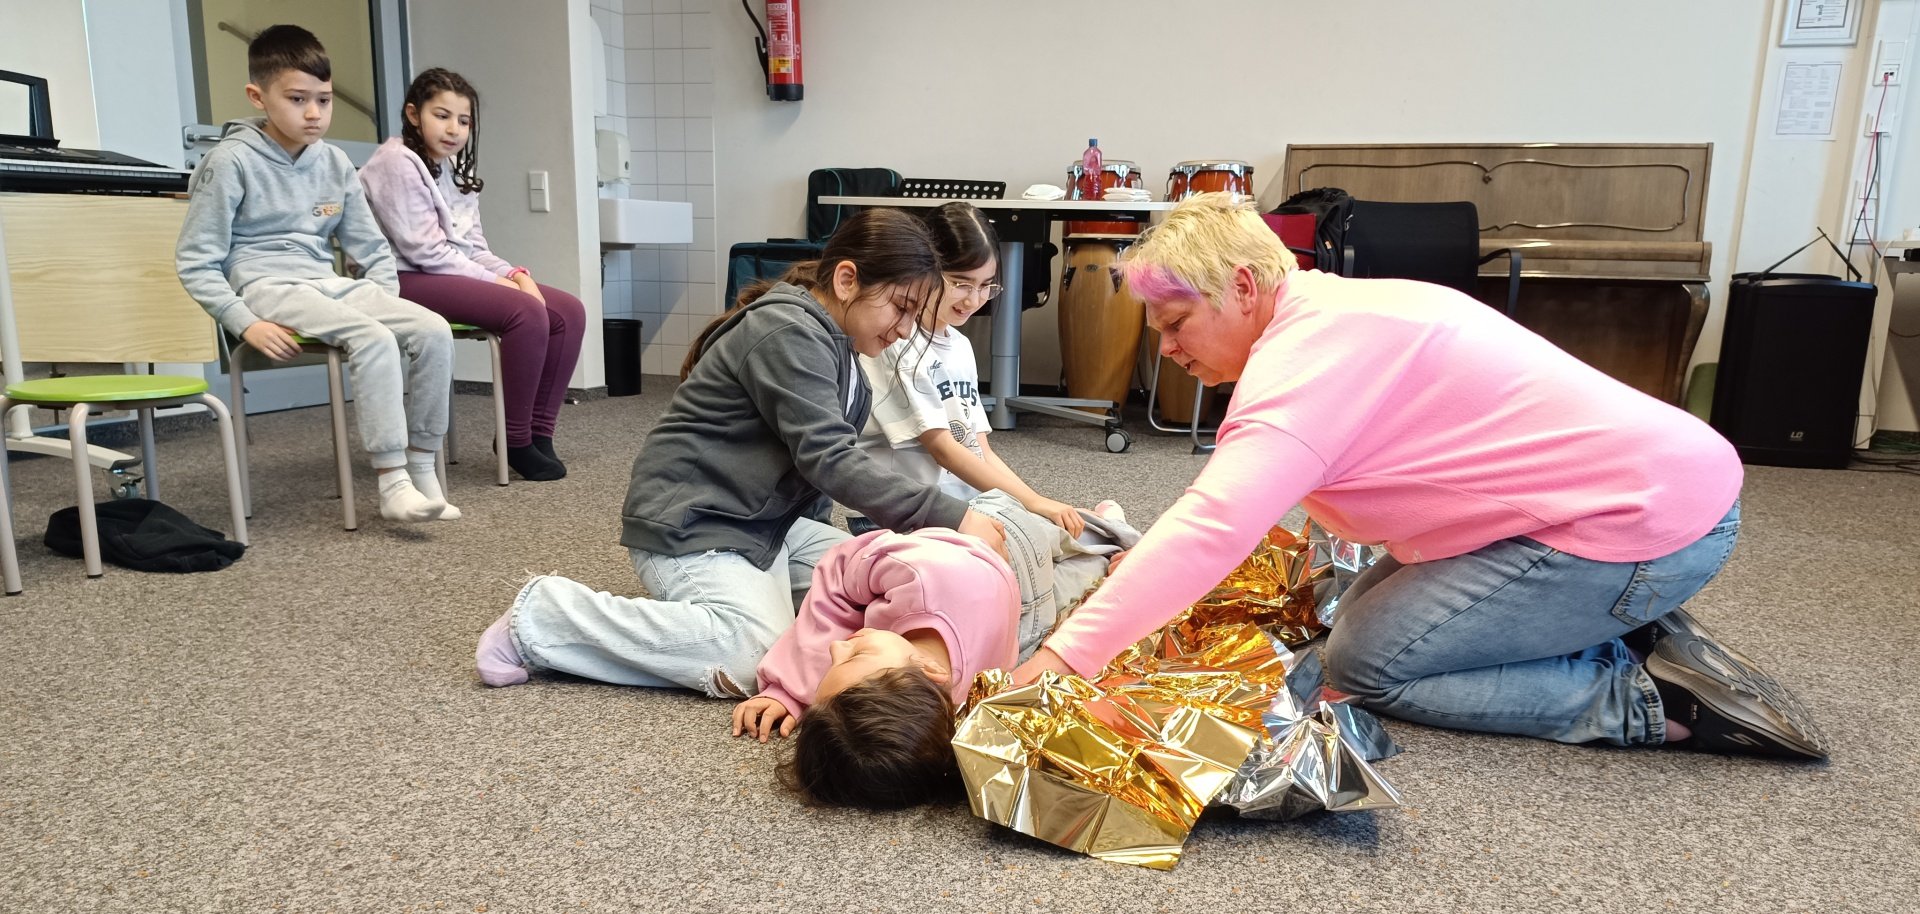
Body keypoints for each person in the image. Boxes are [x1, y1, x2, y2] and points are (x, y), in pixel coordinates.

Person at [1012, 193, 1829, 761]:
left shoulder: (1305, 361)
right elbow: (1280, 499)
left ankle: (1651, 700)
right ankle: (1626, 627)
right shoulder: (1336, 311)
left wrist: (1056, 664)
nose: (1166, 348)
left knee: (1367, 667)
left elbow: (1213, 527)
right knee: (1353, 628)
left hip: (1646, 528)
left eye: (1176, 322)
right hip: (1640, 501)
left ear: (1245, 287)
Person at [474, 208, 1008, 697]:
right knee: (751, 653)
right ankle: (544, 617)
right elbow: (830, 459)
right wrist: (953, 516)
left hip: (768, 526)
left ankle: (758, 604)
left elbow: (812, 474)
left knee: (889, 582)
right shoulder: (788, 331)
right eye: (901, 308)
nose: (905, 328)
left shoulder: (844, 352)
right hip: (698, 525)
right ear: (847, 280)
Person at [176, 25, 458, 523]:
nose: (314, 113)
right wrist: (244, 321)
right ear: (258, 97)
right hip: (265, 284)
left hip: (326, 283)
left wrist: (385, 299)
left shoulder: (334, 162)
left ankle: (421, 464)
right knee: (372, 338)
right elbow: (196, 260)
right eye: (297, 99)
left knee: (432, 329)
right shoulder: (230, 161)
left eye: (324, 101)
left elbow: (371, 247)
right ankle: (392, 481)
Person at [732, 494, 1139, 809]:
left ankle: (1109, 524)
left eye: (834, 663)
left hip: (997, 538)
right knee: (1096, 573)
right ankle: (1115, 540)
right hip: (1023, 617)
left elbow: (840, 568)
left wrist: (789, 686)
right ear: (926, 669)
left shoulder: (920, 574)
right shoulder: (964, 711)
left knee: (1079, 533)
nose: (836, 647)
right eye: (852, 657)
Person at [358, 68, 585, 482]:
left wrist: (517, 275)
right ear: (413, 114)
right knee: (524, 312)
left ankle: (539, 432)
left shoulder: (449, 168)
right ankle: (515, 439)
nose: (454, 129)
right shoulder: (395, 162)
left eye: (463, 121)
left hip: (444, 273)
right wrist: (506, 287)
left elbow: (474, 248)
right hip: (401, 277)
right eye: (442, 116)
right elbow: (425, 252)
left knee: (568, 311)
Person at [852, 203, 1086, 536]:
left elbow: (979, 449)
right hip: (899, 514)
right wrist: (1034, 503)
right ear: (926, 269)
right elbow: (944, 449)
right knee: (1025, 547)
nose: (974, 300)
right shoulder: (898, 341)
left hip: (961, 507)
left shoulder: (960, 346)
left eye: (986, 285)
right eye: (961, 283)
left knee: (1072, 534)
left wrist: (1036, 503)